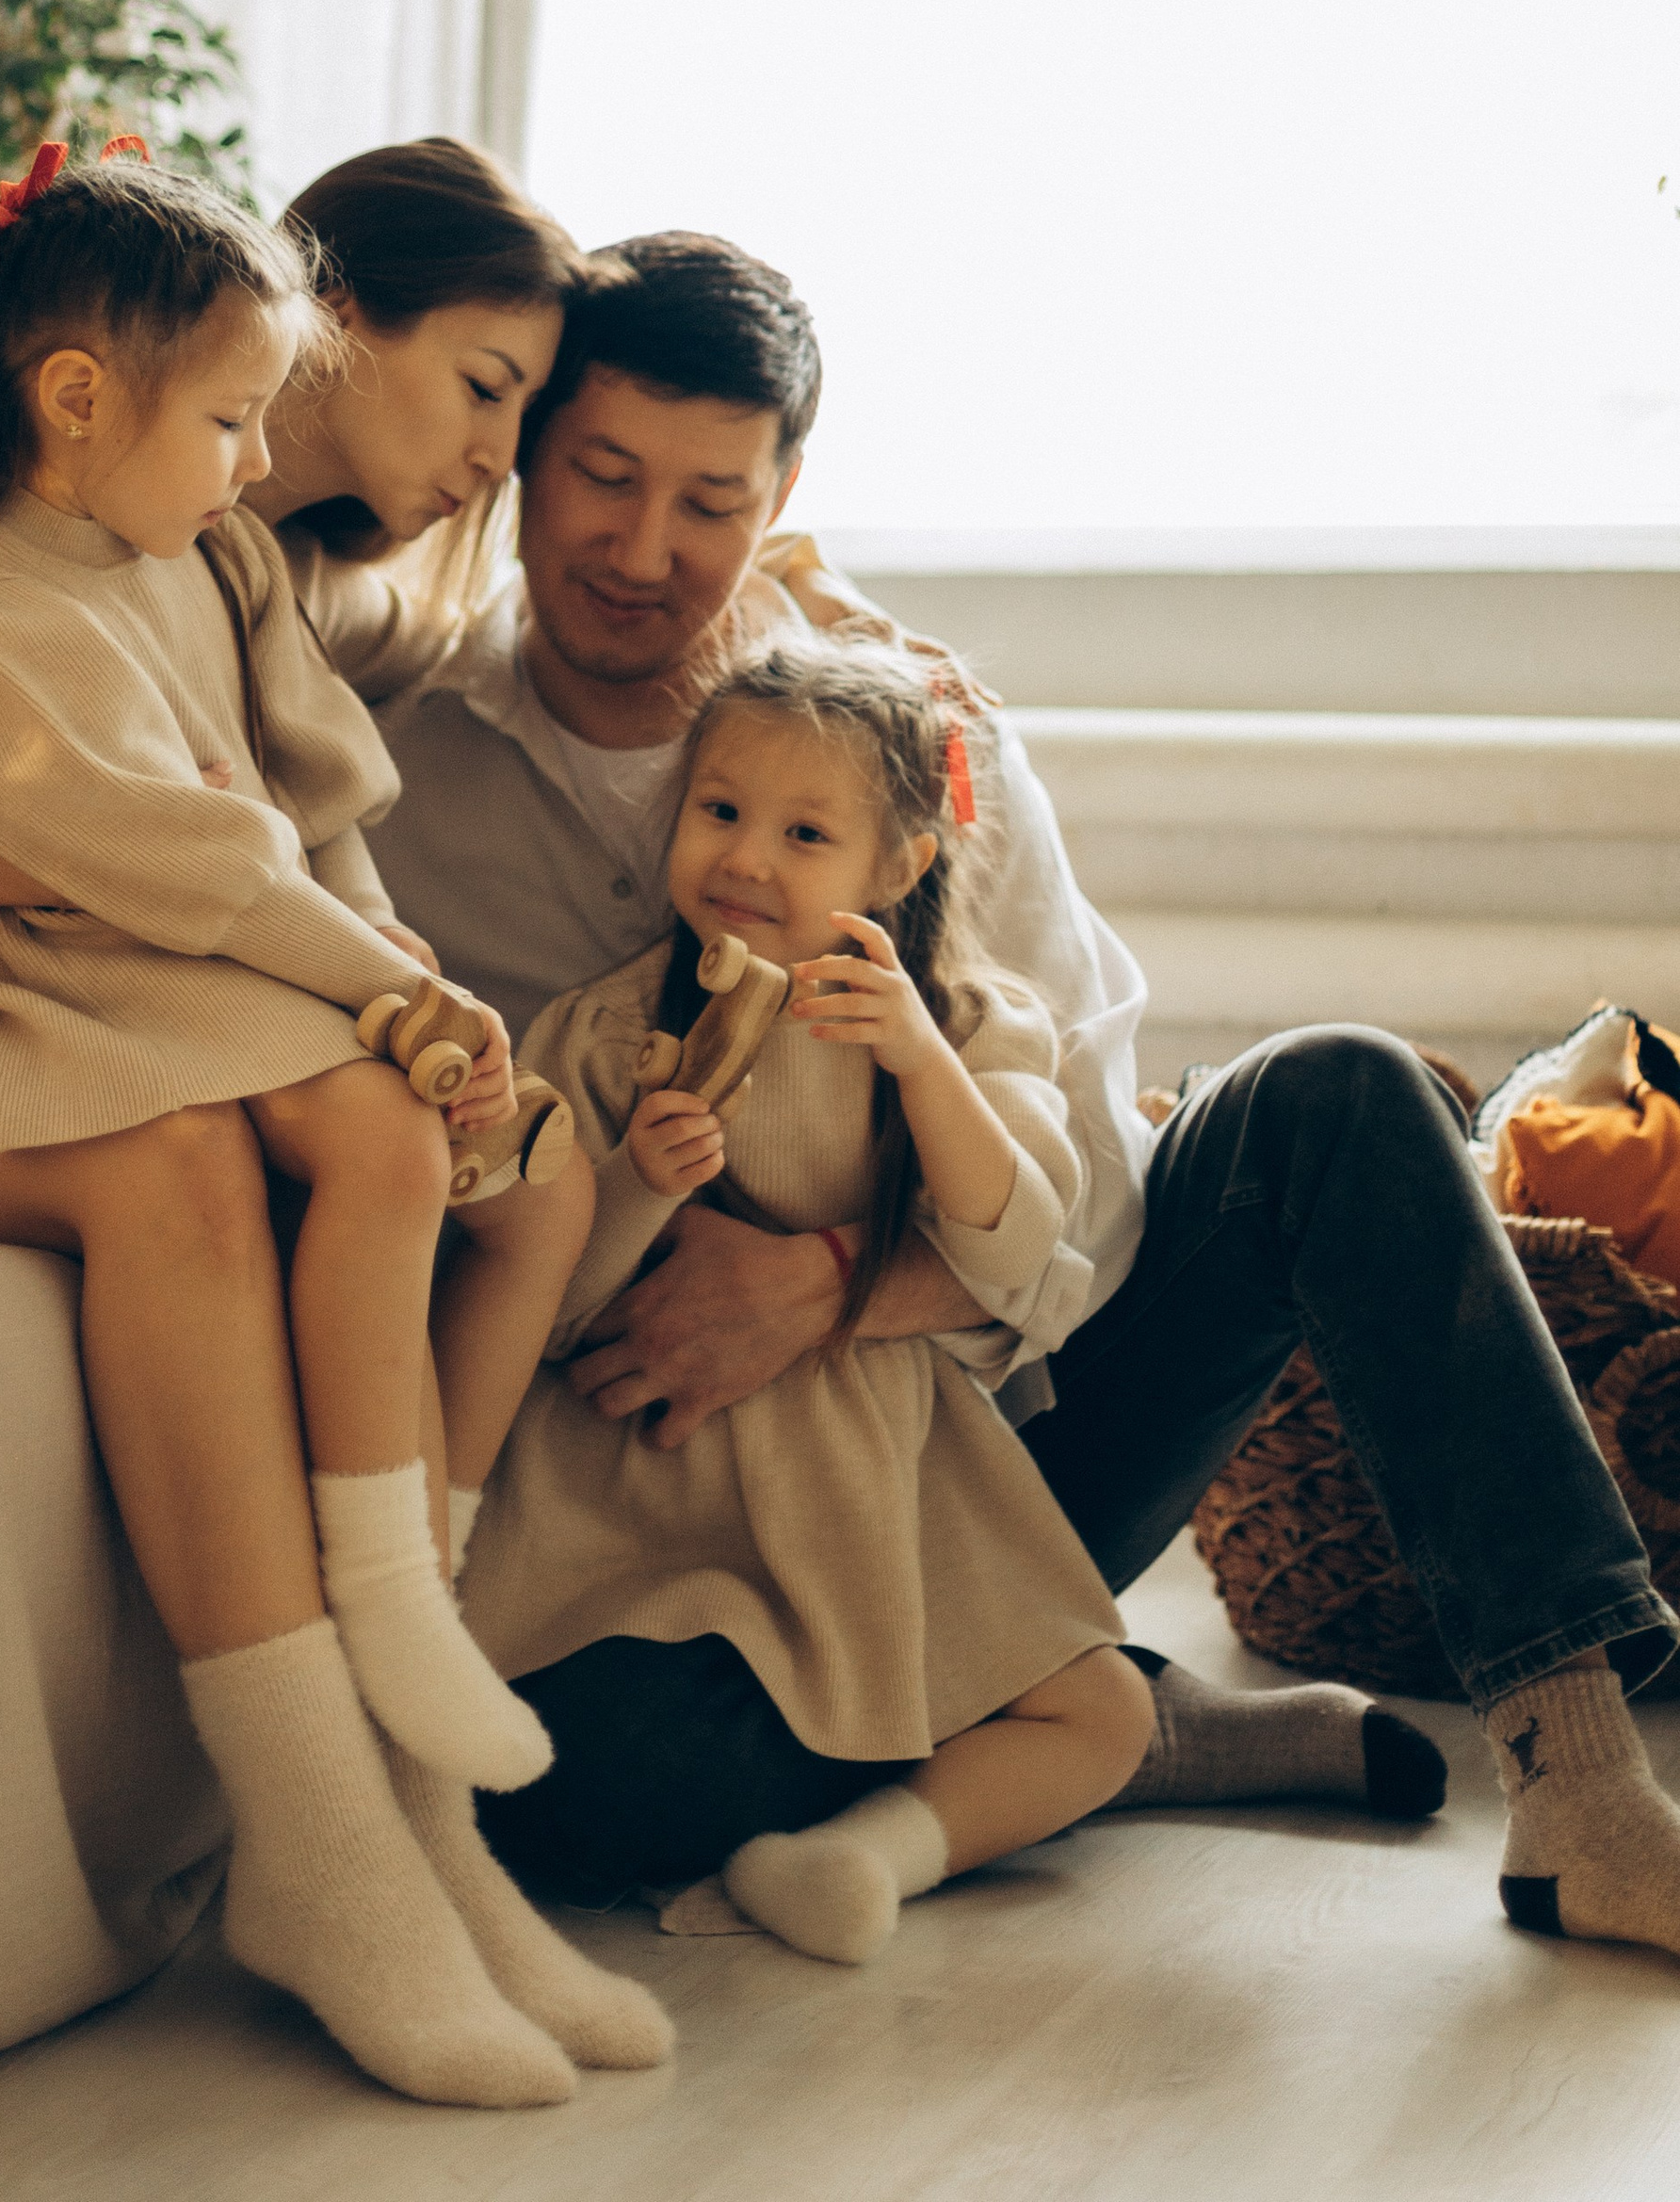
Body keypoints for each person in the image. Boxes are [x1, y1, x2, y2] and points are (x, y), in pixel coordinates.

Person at [371, 229, 1680, 1972]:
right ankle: (1106, 1729)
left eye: (711, 499)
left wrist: (833, 1288)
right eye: (601, 478)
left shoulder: (920, 746)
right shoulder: (408, 771)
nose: (644, 550)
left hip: (985, 1448)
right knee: (549, 1793)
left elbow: (1094, 1212)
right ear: (529, 454)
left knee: (1341, 1093)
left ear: (785, 492)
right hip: (658, 1501)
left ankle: (1583, 1789)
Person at [0, 148, 664, 2110]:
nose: (496, 462)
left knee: (511, 1167)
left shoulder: (247, 556)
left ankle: (412, 1805)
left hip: (80, 977)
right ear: (343, 332)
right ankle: (329, 1846)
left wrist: (410, 1009)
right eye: (488, 393)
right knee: (183, 1155)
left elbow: (285, 836)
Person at [463, 638, 1153, 1951]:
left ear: (898, 865)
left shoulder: (969, 1025)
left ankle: (862, 1859)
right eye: (721, 812)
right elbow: (533, 1304)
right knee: (567, 1770)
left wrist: (915, 1059)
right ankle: (888, 1784)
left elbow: (1014, 1251)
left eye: (805, 832)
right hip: (651, 1501)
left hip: (873, 1490)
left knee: (1101, 1716)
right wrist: (637, 1188)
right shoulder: (603, 1035)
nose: (747, 861)